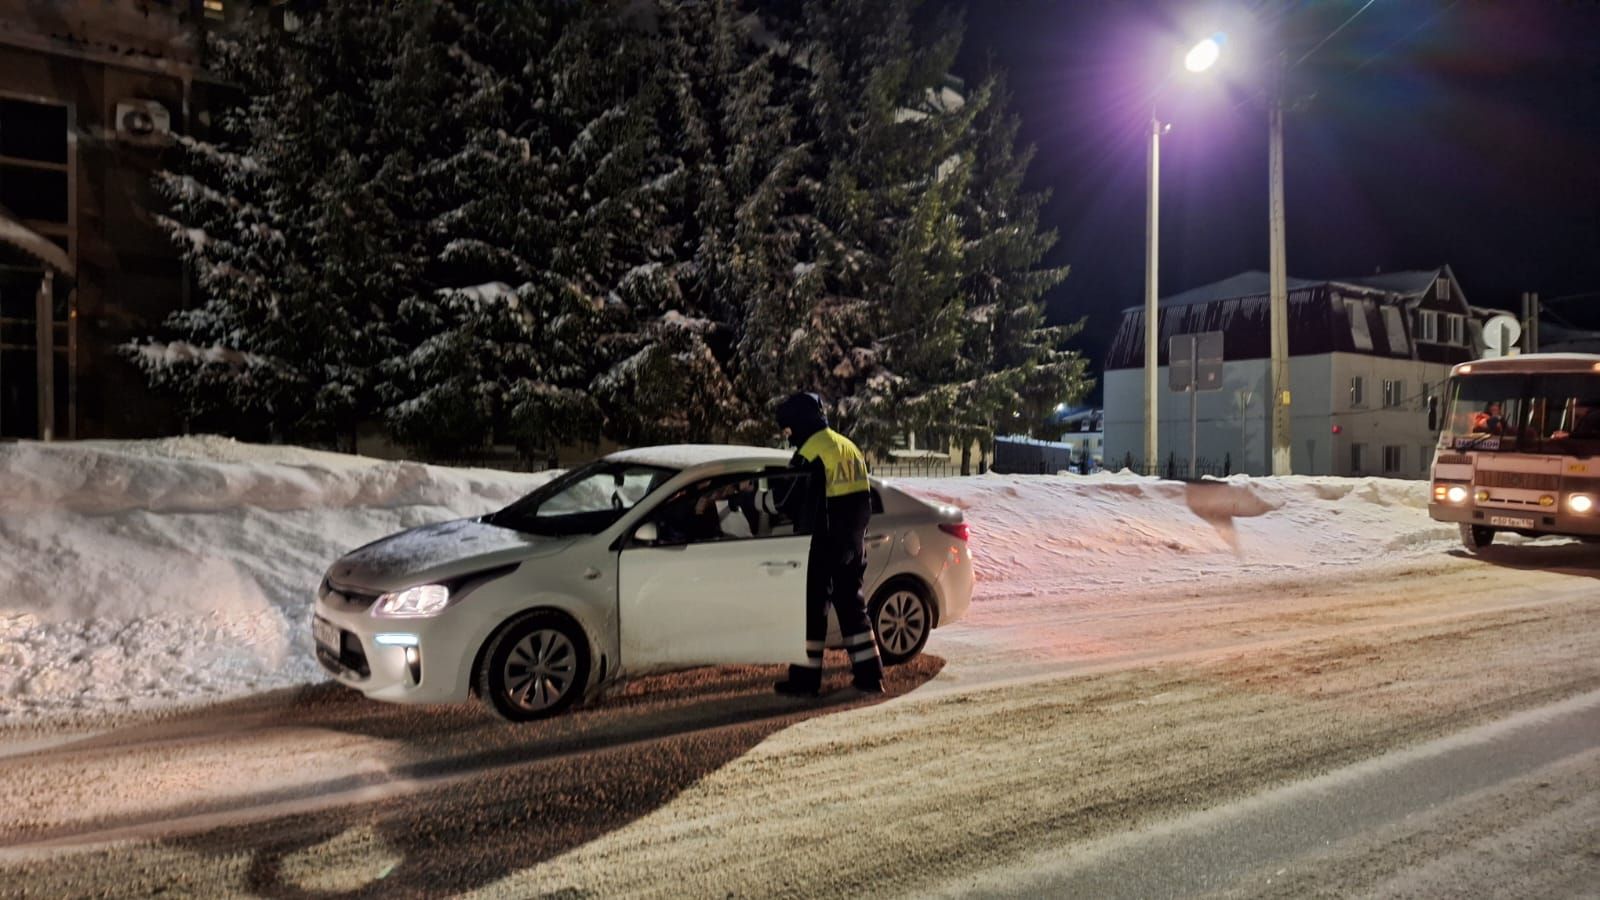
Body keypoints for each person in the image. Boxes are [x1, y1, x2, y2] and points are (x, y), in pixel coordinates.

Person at [771, 391, 883, 697]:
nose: (788, 435)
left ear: (799, 422)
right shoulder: (847, 445)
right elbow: (864, 499)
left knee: (812, 611)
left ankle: (805, 681)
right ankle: (870, 676)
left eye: (789, 428)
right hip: (851, 540)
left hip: (823, 541)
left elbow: (787, 499)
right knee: (853, 608)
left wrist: (757, 493)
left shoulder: (811, 451)